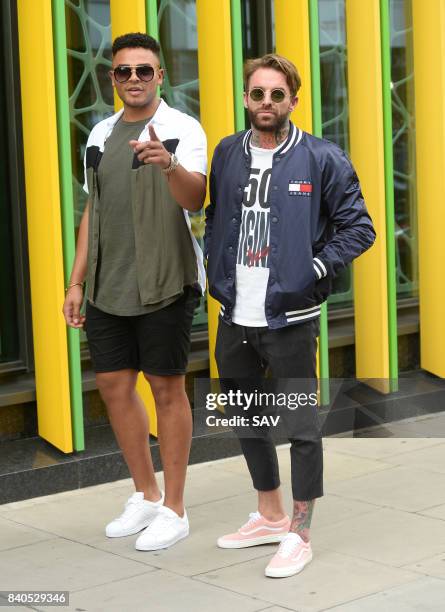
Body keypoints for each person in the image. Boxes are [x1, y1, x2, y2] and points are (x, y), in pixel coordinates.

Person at [204, 53, 375, 578]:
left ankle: (300, 534)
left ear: (293, 101)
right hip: (235, 313)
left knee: (301, 426)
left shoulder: (322, 157)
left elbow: (359, 227)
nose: (266, 103)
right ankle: (270, 513)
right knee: (247, 417)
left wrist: (313, 267)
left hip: (291, 316)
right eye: (258, 94)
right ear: (246, 98)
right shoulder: (228, 151)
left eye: (277, 95)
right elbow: (216, 217)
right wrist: (214, 269)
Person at [62, 32, 207, 551]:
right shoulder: (99, 134)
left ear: (160, 75)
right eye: (124, 71)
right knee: (114, 388)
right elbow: (92, 212)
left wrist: (166, 163)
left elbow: (197, 198)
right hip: (107, 284)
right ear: (113, 78)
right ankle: (146, 494)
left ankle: (175, 508)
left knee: (167, 390)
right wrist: (76, 281)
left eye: (144, 70)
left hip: (166, 281)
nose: (134, 79)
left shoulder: (180, 129)